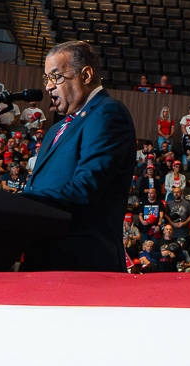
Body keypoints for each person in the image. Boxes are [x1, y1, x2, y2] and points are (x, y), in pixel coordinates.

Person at [20, 41, 136, 271]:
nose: (48, 87)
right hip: (43, 258)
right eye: (46, 79)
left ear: (86, 75)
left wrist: (22, 201)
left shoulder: (107, 112)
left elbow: (86, 188)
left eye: (56, 77)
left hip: (82, 263)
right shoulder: (56, 128)